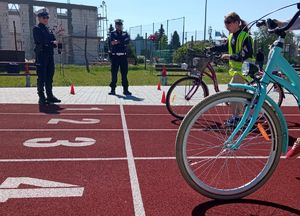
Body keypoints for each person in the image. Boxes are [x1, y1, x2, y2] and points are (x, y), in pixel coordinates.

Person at [207, 12, 254, 126]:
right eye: (225, 24)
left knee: (233, 91)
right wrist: (212, 48)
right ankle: (244, 116)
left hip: (246, 69)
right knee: (237, 94)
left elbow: (246, 53)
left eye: (229, 23)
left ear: (237, 23)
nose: (226, 26)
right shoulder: (231, 36)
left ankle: (237, 117)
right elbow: (225, 46)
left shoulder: (245, 36)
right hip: (237, 71)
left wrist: (230, 56)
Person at [33, 8, 61, 105]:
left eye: (47, 17)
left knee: (50, 76)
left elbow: (53, 42)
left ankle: (50, 96)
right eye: (44, 17)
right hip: (41, 56)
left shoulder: (48, 29)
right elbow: (40, 41)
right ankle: (41, 97)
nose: (46, 19)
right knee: (41, 77)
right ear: (39, 18)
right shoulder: (37, 28)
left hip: (49, 56)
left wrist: (54, 43)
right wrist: (51, 43)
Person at [108, 19, 131, 96]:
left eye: (120, 25)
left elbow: (127, 41)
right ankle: (113, 90)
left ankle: (126, 90)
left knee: (124, 74)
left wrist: (118, 41)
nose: (119, 26)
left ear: (122, 26)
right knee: (114, 74)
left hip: (123, 57)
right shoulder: (112, 33)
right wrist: (121, 41)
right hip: (115, 57)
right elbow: (112, 42)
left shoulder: (125, 33)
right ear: (115, 26)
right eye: (117, 25)